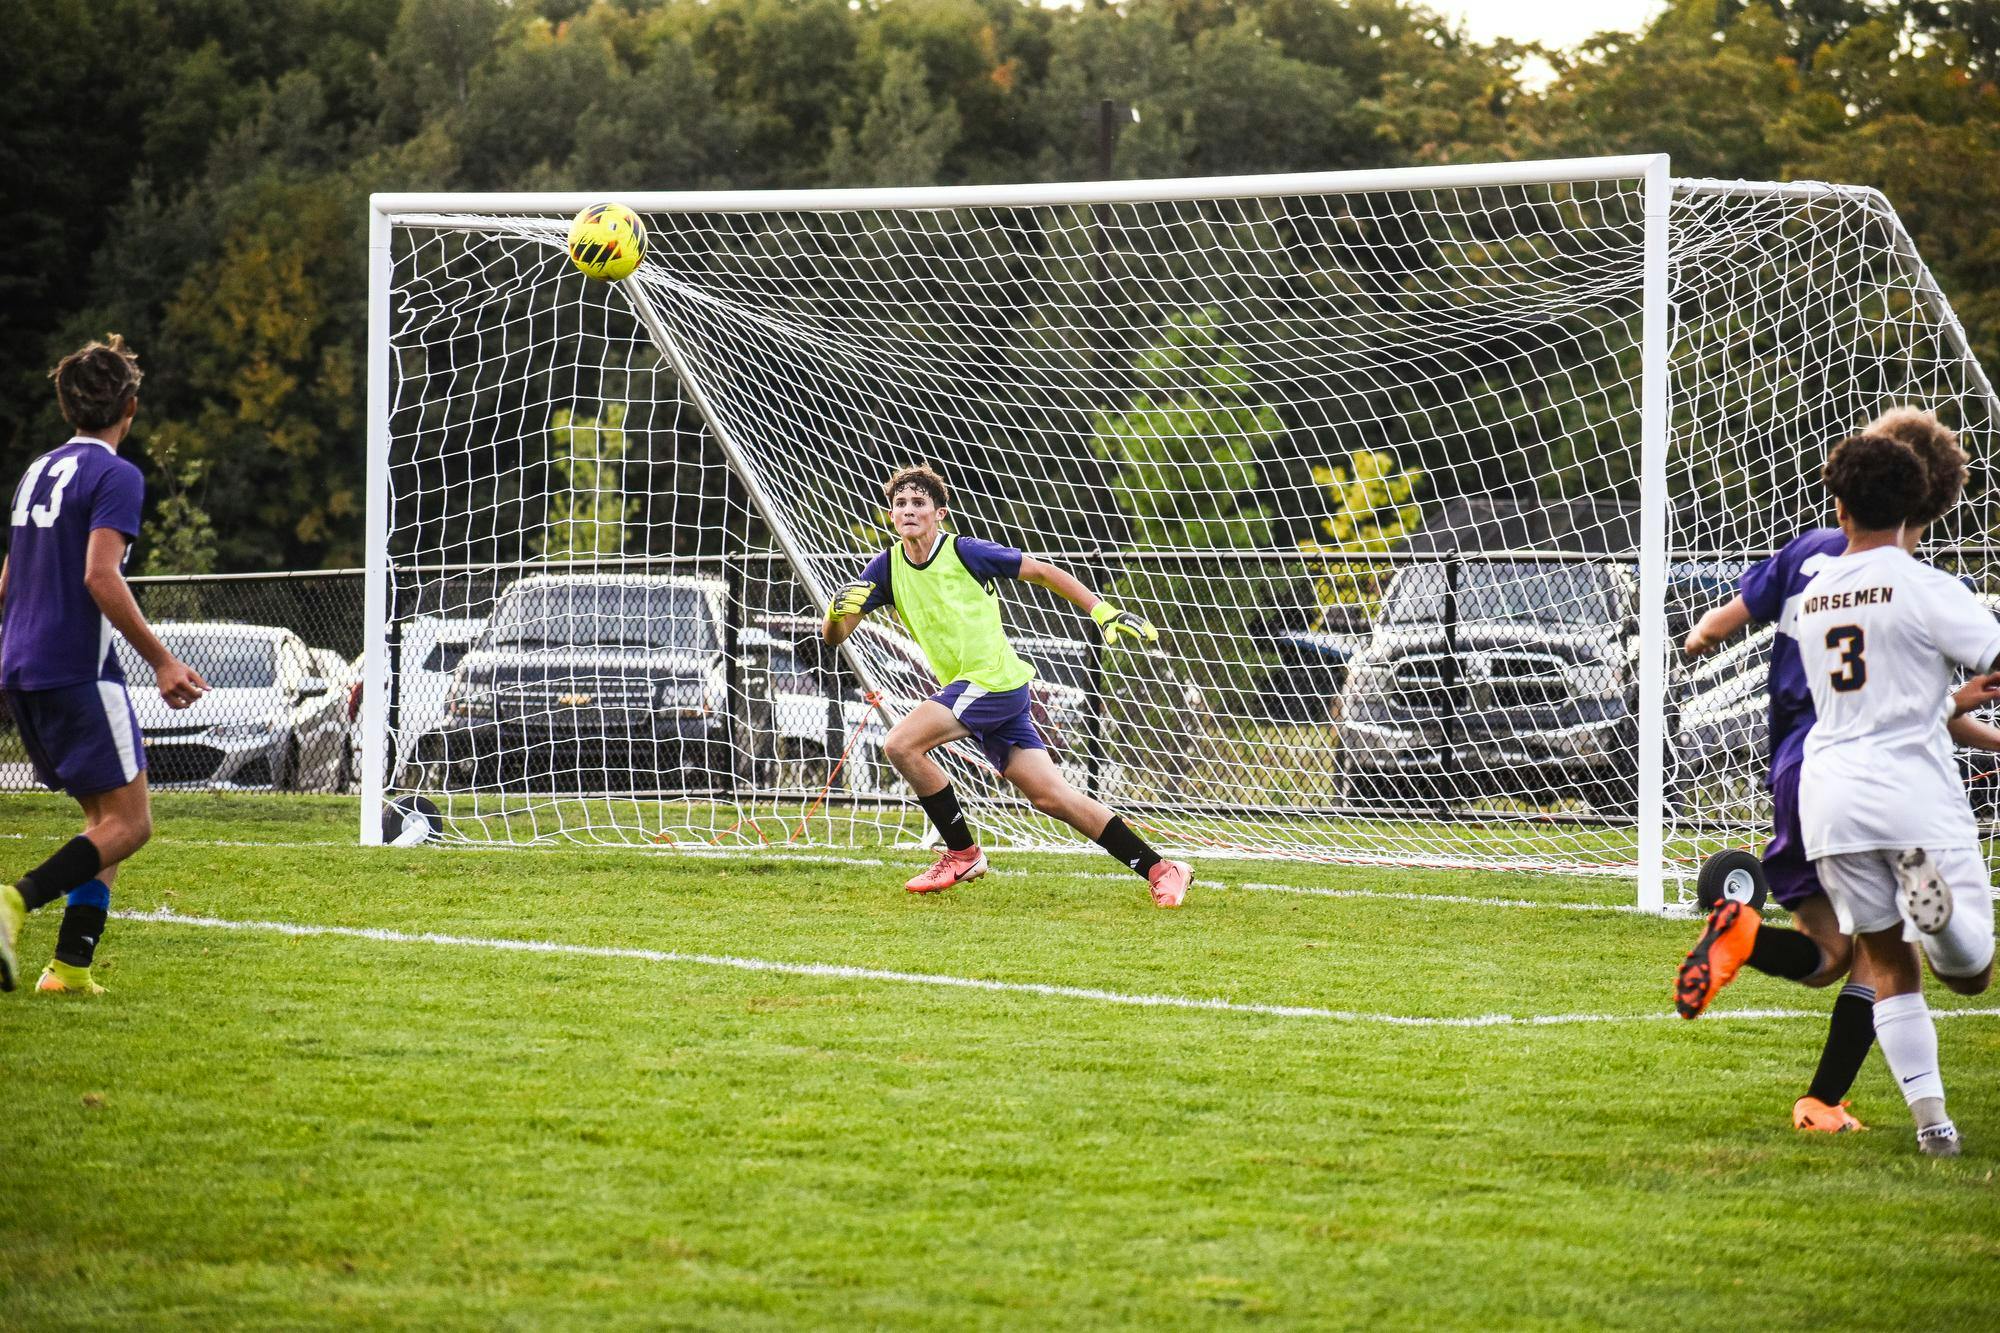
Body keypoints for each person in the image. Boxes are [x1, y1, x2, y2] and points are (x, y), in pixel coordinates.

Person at [1676, 409, 2000, 1136]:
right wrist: (1960, 702)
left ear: (1841, 501)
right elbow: (1923, 694)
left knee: (1851, 957)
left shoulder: (1813, 581)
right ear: (1929, 495)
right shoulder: (1924, 585)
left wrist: (1697, 639)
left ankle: (1926, 1121)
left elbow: (1730, 624)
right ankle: (1830, 1090)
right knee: (1943, 965)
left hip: (1817, 783)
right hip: (1900, 782)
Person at [823, 463, 1192, 906]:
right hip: (982, 690)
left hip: (992, 682)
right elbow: (836, 636)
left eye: (918, 503)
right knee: (1051, 796)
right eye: (899, 504)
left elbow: (1041, 571)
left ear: (940, 513)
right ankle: (1162, 868)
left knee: (901, 744)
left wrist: (1102, 611)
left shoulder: (965, 551)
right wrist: (834, 611)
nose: (907, 510)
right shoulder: (884, 568)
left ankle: (962, 852)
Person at [0, 336, 208, 995]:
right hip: (77, 667)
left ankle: (68, 968)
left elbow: (8, 578)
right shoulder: (116, 474)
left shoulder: (39, 469)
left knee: (104, 826)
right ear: (131, 407)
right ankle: (13, 901)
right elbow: (100, 574)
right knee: (132, 823)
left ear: (68, 407)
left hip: (23, 665)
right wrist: (163, 659)